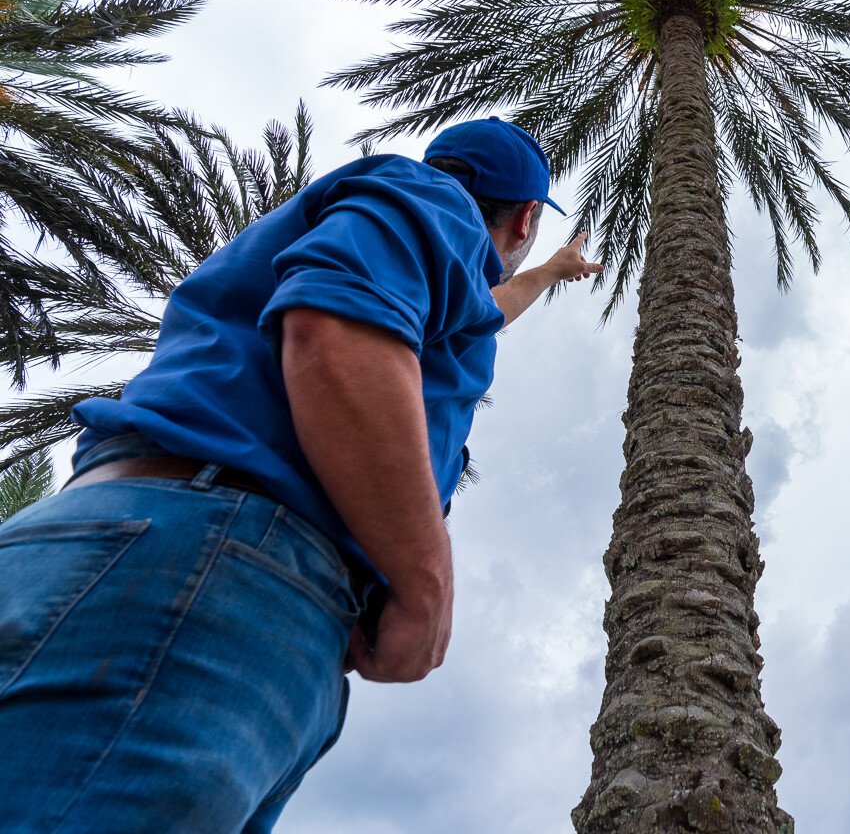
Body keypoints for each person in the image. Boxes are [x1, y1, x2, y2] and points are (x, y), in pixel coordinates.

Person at [0, 117, 602, 833]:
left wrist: (549, 274)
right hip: (215, 570)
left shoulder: (424, 247)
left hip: (178, 560)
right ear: (525, 216)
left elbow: (477, 313)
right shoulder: (430, 199)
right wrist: (423, 583)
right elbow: (334, 333)